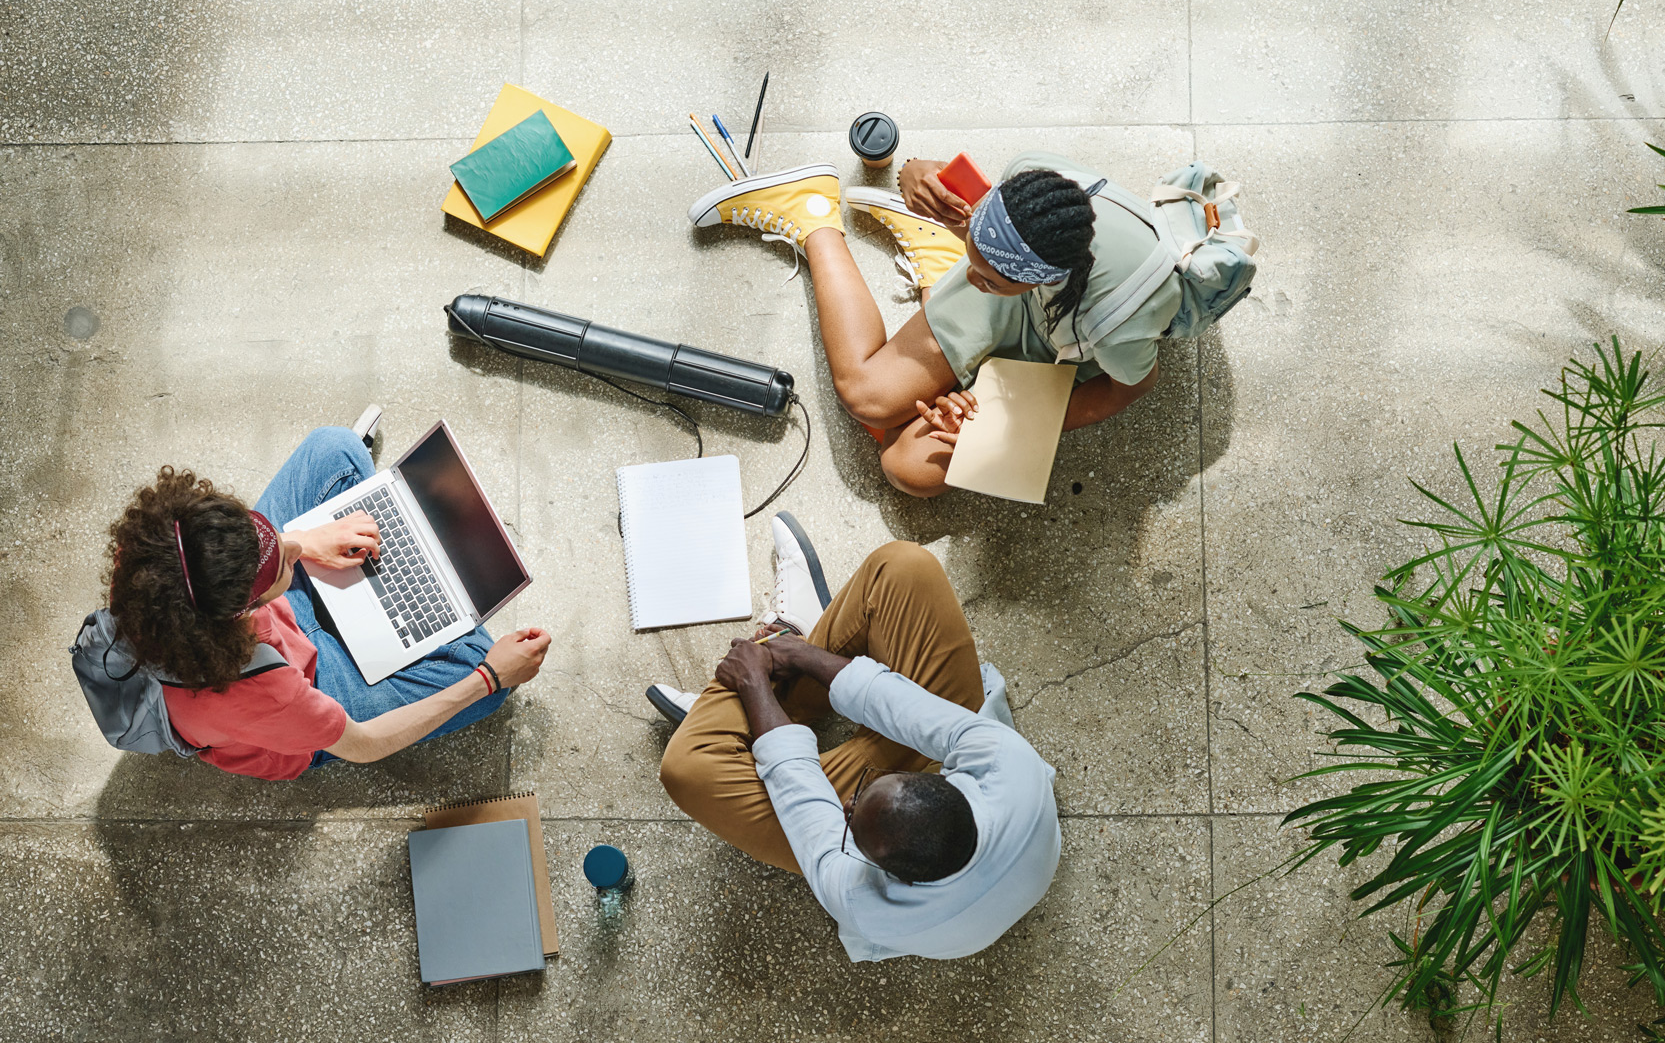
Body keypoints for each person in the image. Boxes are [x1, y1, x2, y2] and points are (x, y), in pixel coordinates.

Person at [650, 514, 1061, 962]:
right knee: (903, 566)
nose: (845, 804)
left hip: (884, 827)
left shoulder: (861, 902)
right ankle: (778, 656)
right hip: (956, 782)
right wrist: (800, 653)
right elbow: (900, 705)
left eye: (851, 823)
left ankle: (750, 689)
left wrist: (753, 683)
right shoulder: (1008, 765)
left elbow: (798, 783)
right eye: (867, 789)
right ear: (947, 780)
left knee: (688, 767)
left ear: (883, 873)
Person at [688, 152, 1180, 497]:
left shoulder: (1120, 325)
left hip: (1066, 346)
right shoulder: (1032, 179)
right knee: (869, 398)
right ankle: (811, 210)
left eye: (984, 277)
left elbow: (1128, 391)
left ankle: (931, 252)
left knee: (910, 471)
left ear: (1037, 280)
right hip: (1026, 305)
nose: (966, 280)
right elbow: (971, 199)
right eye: (970, 255)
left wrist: (1002, 428)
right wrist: (917, 173)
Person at [103, 415, 552, 780]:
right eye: (279, 564)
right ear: (243, 609)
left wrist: (303, 539)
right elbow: (365, 744)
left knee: (332, 448)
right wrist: (489, 677)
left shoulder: (154, 552)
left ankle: (383, 594)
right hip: (311, 684)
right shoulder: (268, 695)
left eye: (264, 537)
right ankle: (421, 628)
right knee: (481, 678)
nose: (293, 550)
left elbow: (271, 551)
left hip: (269, 630)